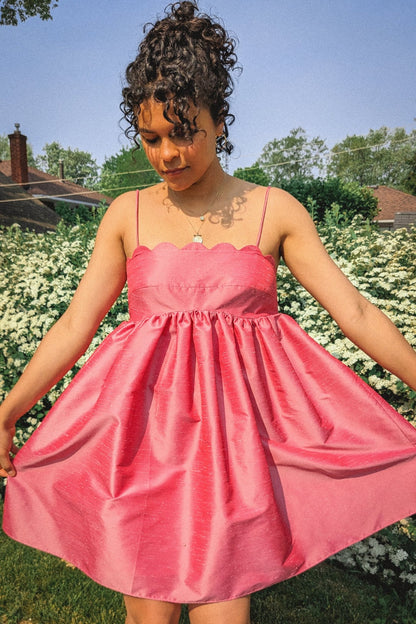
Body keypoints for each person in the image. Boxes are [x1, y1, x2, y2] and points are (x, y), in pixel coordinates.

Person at [1, 2, 416, 623]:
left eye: (184, 132)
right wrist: (8, 411)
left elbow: (353, 310)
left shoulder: (276, 210)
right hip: (143, 448)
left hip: (237, 457)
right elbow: (73, 326)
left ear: (220, 120)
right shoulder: (125, 215)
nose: (168, 154)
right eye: (151, 138)